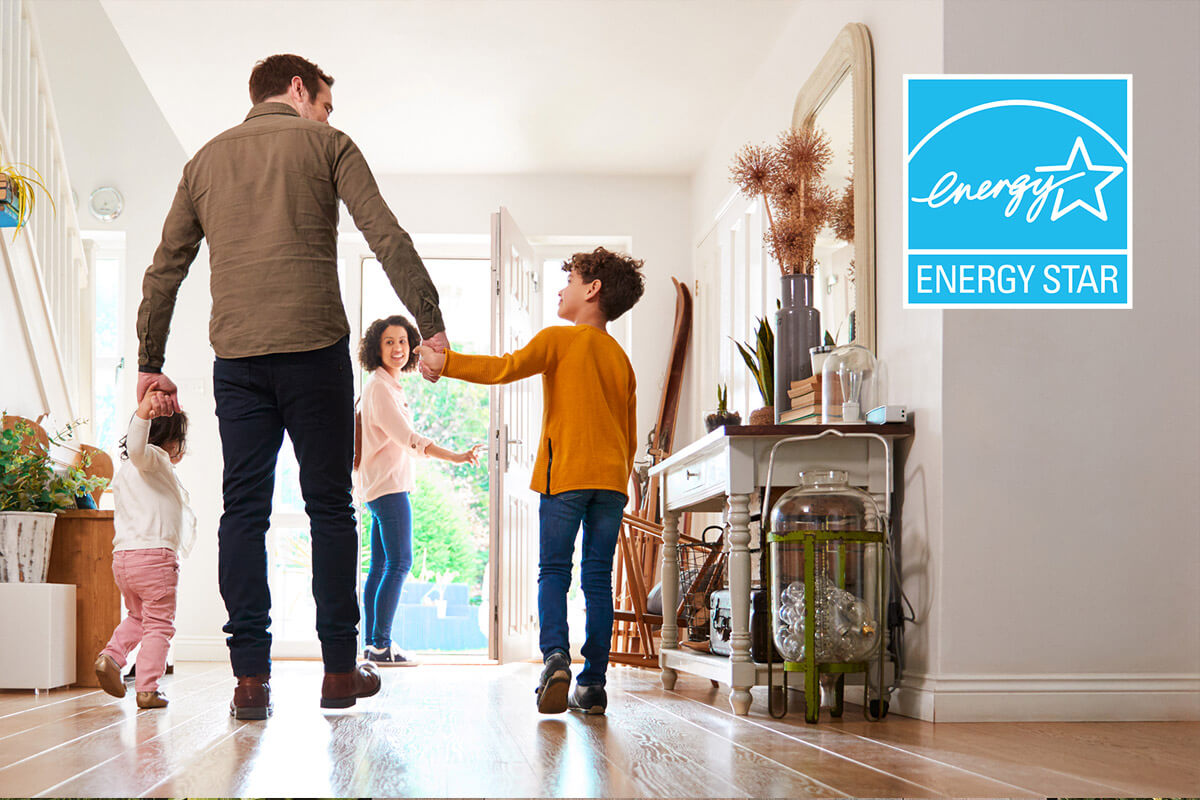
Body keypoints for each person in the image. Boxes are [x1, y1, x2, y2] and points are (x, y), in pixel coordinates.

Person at [134, 54, 450, 719]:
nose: (329, 116)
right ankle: (339, 672)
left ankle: (250, 681)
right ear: (299, 89)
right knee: (330, 507)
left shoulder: (204, 162)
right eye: (326, 103)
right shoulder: (328, 144)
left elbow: (165, 270)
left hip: (239, 360)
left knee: (242, 511)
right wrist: (431, 323)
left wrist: (149, 358)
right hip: (314, 354)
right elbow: (384, 234)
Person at [416, 247, 644, 715]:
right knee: (598, 580)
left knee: (555, 571)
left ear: (592, 289)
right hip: (611, 483)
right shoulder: (622, 359)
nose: (562, 289)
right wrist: (622, 482)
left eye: (570, 280)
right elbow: (631, 433)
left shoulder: (559, 340)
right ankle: (594, 685)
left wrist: (447, 362)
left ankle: (556, 658)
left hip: (566, 477)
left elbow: (504, 367)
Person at [355, 315, 483, 666]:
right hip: (388, 487)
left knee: (381, 566)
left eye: (402, 341)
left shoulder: (386, 384)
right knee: (399, 562)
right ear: (375, 349)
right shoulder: (380, 387)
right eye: (388, 342)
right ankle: (379, 645)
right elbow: (409, 439)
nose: (398, 348)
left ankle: (374, 645)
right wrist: (455, 457)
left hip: (382, 485)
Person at [94, 388, 194, 709]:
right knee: (160, 623)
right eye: (181, 440)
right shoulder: (152, 459)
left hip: (124, 559)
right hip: (155, 559)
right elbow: (138, 447)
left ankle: (110, 657)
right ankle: (148, 688)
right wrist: (143, 414)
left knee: (138, 616)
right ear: (169, 439)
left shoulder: (126, 473)